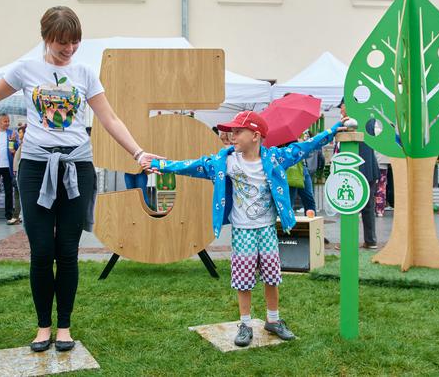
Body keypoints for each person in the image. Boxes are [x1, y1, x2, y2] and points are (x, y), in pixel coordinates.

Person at [0, 6, 161, 352]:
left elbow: (111, 118)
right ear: (45, 38)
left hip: (77, 167)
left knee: (67, 252)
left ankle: (65, 328)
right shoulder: (27, 69)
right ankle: (43, 326)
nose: (68, 50)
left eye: (74, 43)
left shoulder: (86, 73)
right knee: (42, 250)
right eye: (61, 44)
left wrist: (138, 153)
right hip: (35, 168)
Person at [145, 111, 345, 347]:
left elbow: (305, 146)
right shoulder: (226, 162)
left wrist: (332, 131)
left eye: (238, 131)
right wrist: (160, 164)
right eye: (231, 131)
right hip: (243, 231)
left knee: (272, 275)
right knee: (243, 278)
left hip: (267, 229)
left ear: (256, 136)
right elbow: (191, 166)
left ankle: (273, 320)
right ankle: (245, 324)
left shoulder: (274, 158)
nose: (232, 135)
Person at [338, 98, 379, 249]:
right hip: (368, 168)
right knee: (368, 207)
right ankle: (371, 240)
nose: (341, 111)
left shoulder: (350, 123)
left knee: (349, 206)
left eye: (341, 107)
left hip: (356, 170)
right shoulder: (368, 119)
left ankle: (349, 242)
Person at [8, 124, 27, 225]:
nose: (19, 134)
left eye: (21, 132)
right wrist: (11, 141)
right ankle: (16, 216)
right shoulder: (21, 144)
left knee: (18, 195)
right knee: (17, 195)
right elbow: (12, 152)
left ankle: (17, 216)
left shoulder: (26, 144)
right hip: (17, 172)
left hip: (21, 172)